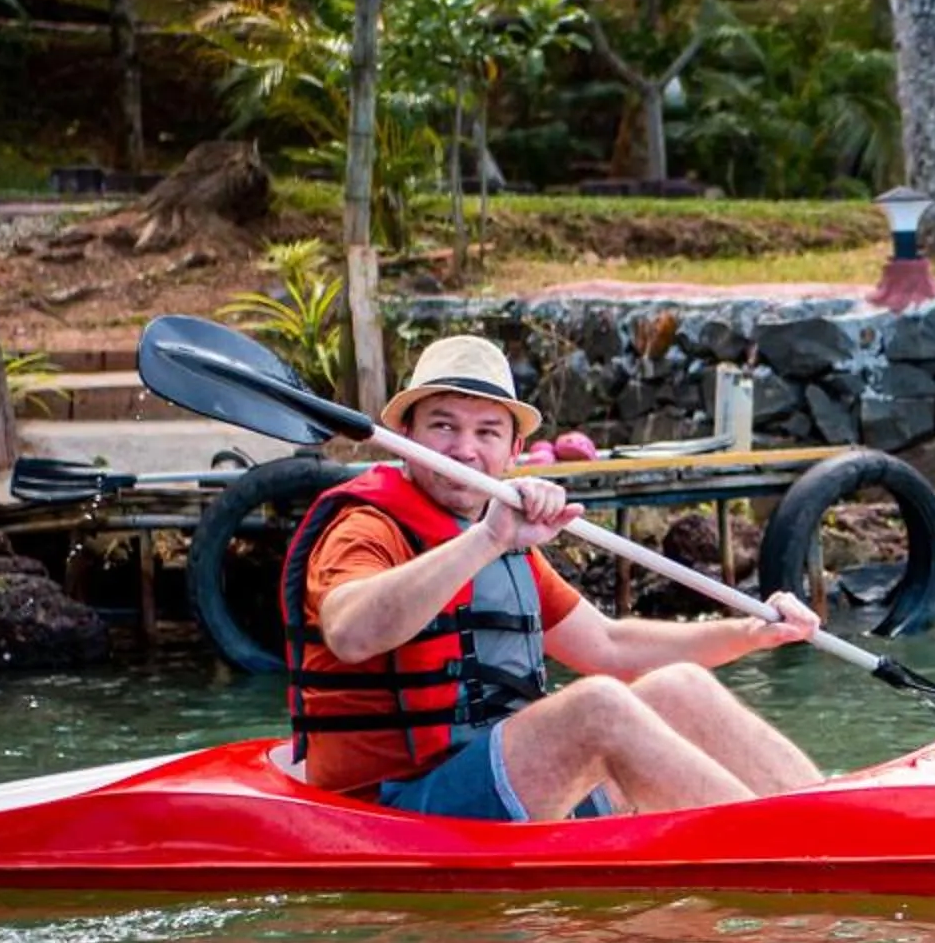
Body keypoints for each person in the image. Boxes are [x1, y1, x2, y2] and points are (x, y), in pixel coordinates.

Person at [278, 335, 824, 822]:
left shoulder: (493, 531)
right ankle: (780, 850)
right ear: (406, 436)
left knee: (680, 684)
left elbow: (608, 644)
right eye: (443, 426)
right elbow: (350, 634)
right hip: (396, 805)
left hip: (491, 774)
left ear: (515, 451)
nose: (465, 449)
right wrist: (488, 539)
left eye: (487, 432)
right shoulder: (366, 527)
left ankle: (830, 814)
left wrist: (750, 633)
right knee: (597, 707)